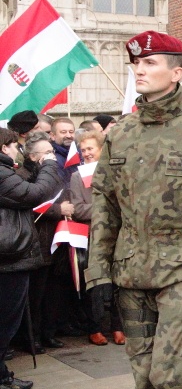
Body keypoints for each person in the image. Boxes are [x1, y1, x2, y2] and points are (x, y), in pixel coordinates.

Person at [85, 30, 182, 389]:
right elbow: (105, 207)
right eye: (136, 63)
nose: (139, 70)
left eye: (150, 63)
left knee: (172, 377)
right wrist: (98, 274)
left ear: (177, 72)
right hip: (131, 273)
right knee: (144, 378)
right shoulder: (120, 132)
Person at [0, 127, 61, 389]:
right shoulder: (2, 174)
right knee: (6, 321)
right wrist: (48, 162)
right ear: (4, 148)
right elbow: (36, 194)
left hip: (8, 257)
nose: (18, 149)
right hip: (8, 259)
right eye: (15, 145)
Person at [15, 132, 71, 354]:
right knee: (34, 296)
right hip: (34, 242)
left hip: (53, 240)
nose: (52, 157)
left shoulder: (54, 173)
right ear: (32, 155)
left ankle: (48, 333)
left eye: (52, 152)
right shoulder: (21, 174)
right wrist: (59, 210)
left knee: (52, 292)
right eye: (47, 153)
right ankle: (31, 338)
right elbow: (32, 202)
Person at [69, 130, 125, 346]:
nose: (87, 153)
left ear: (101, 149)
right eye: (83, 150)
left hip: (118, 234)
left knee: (118, 281)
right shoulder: (77, 176)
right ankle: (95, 327)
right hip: (92, 236)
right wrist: (106, 207)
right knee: (95, 284)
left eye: (90, 148)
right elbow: (78, 209)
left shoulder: (115, 171)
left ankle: (118, 326)